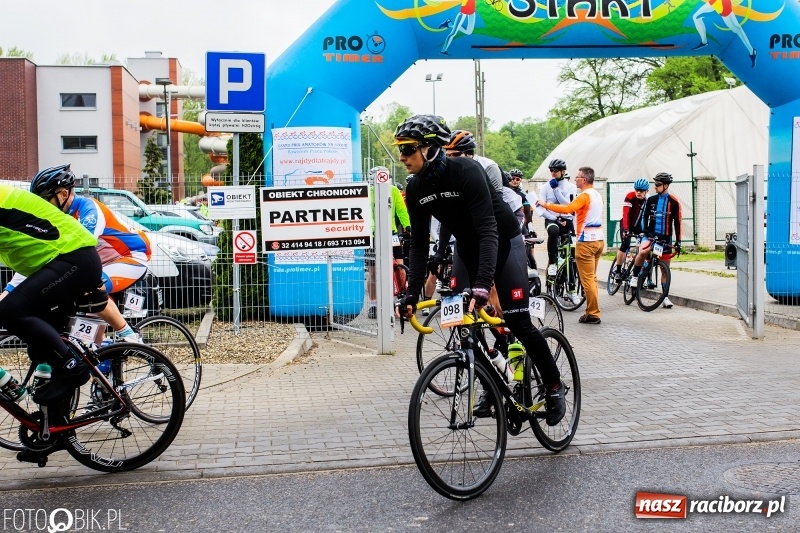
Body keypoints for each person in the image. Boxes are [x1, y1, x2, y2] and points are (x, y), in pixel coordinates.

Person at [393, 114, 566, 425]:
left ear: (430, 148)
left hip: (503, 240)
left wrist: (484, 284)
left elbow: (488, 230)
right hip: (468, 248)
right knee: (461, 319)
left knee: (517, 319)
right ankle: (492, 380)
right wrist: (410, 294)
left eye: (408, 149)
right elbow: (418, 245)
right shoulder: (417, 187)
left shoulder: (467, 171)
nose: (402, 157)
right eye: (400, 150)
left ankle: (554, 387)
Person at [6, 164, 152, 342]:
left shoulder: (89, 209)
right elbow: (42, 258)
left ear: (63, 194)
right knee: (83, 306)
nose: (41, 206)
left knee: (87, 288)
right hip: (103, 263)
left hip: (131, 257)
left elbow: (80, 249)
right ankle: (97, 351)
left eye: (44, 200)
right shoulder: (56, 218)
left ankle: (129, 336)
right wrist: (9, 290)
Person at [0, 184, 102, 414]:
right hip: (64, 261)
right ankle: (53, 433)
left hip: (73, 259)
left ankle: (73, 368)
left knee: (9, 311)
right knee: (42, 351)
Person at [537, 167, 605, 324]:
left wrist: (545, 204)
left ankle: (593, 313)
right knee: (592, 279)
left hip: (586, 241)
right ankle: (591, 310)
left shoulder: (584, 196)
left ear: (585, 180)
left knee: (587, 280)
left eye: (578, 177)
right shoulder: (597, 195)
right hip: (599, 241)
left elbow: (568, 209)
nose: (575, 179)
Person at [632, 172, 683, 309]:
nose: (655, 187)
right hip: (650, 235)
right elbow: (644, 218)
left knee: (665, 270)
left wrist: (678, 242)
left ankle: (665, 297)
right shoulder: (651, 200)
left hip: (665, 238)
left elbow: (678, 223)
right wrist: (646, 232)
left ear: (666, 185)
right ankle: (635, 277)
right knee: (643, 252)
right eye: (655, 184)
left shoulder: (674, 202)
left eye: (658, 185)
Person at [367, 167, 410, 319]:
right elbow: (367, 213)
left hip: (391, 233)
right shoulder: (368, 192)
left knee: (400, 265)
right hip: (373, 234)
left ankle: (402, 298)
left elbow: (401, 210)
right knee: (373, 271)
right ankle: (373, 304)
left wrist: (407, 227)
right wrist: (371, 230)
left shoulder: (393, 190)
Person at [540, 159, 578, 278]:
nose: (552, 173)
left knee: (572, 253)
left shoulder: (571, 187)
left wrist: (556, 190)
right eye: (551, 171)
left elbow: (568, 206)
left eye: (555, 171)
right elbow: (541, 208)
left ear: (563, 172)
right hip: (552, 218)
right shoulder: (545, 187)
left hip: (567, 219)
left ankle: (573, 286)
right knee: (553, 231)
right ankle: (552, 263)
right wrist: (554, 218)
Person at [613, 178, 649, 282]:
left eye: (641, 191)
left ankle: (642, 275)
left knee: (645, 248)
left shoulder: (648, 200)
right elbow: (626, 214)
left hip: (639, 227)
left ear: (646, 191)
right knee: (625, 245)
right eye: (637, 190)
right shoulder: (630, 196)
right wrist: (625, 230)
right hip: (626, 224)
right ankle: (618, 272)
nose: (638, 192)